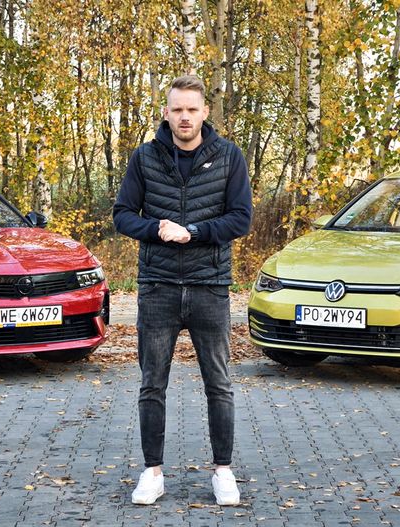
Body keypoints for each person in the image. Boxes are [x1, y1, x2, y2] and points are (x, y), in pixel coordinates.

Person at [113, 75, 252, 506]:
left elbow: (241, 218)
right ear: (166, 112)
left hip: (210, 286)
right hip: (158, 288)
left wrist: (193, 232)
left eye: (192, 109)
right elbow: (122, 215)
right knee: (152, 385)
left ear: (205, 112)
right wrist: (156, 227)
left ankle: (223, 472)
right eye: (177, 109)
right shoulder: (145, 157)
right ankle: (152, 473)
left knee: (219, 384)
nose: (185, 117)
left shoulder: (229, 156)